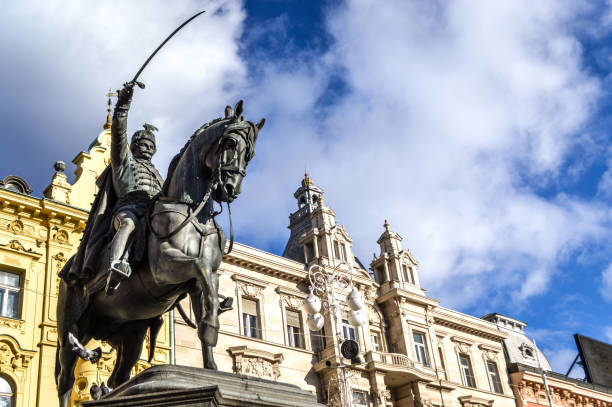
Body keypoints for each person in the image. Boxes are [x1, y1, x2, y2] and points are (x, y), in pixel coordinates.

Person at [105, 82, 163, 293]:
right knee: (128, 224)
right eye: (142, 144)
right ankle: (115, 266)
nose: (147, 148)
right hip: (128, 208)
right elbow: (118, 135)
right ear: (134, 146)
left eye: (151, 146)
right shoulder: (125, 162)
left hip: (152, 215)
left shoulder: (158, 174)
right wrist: (123, 106)